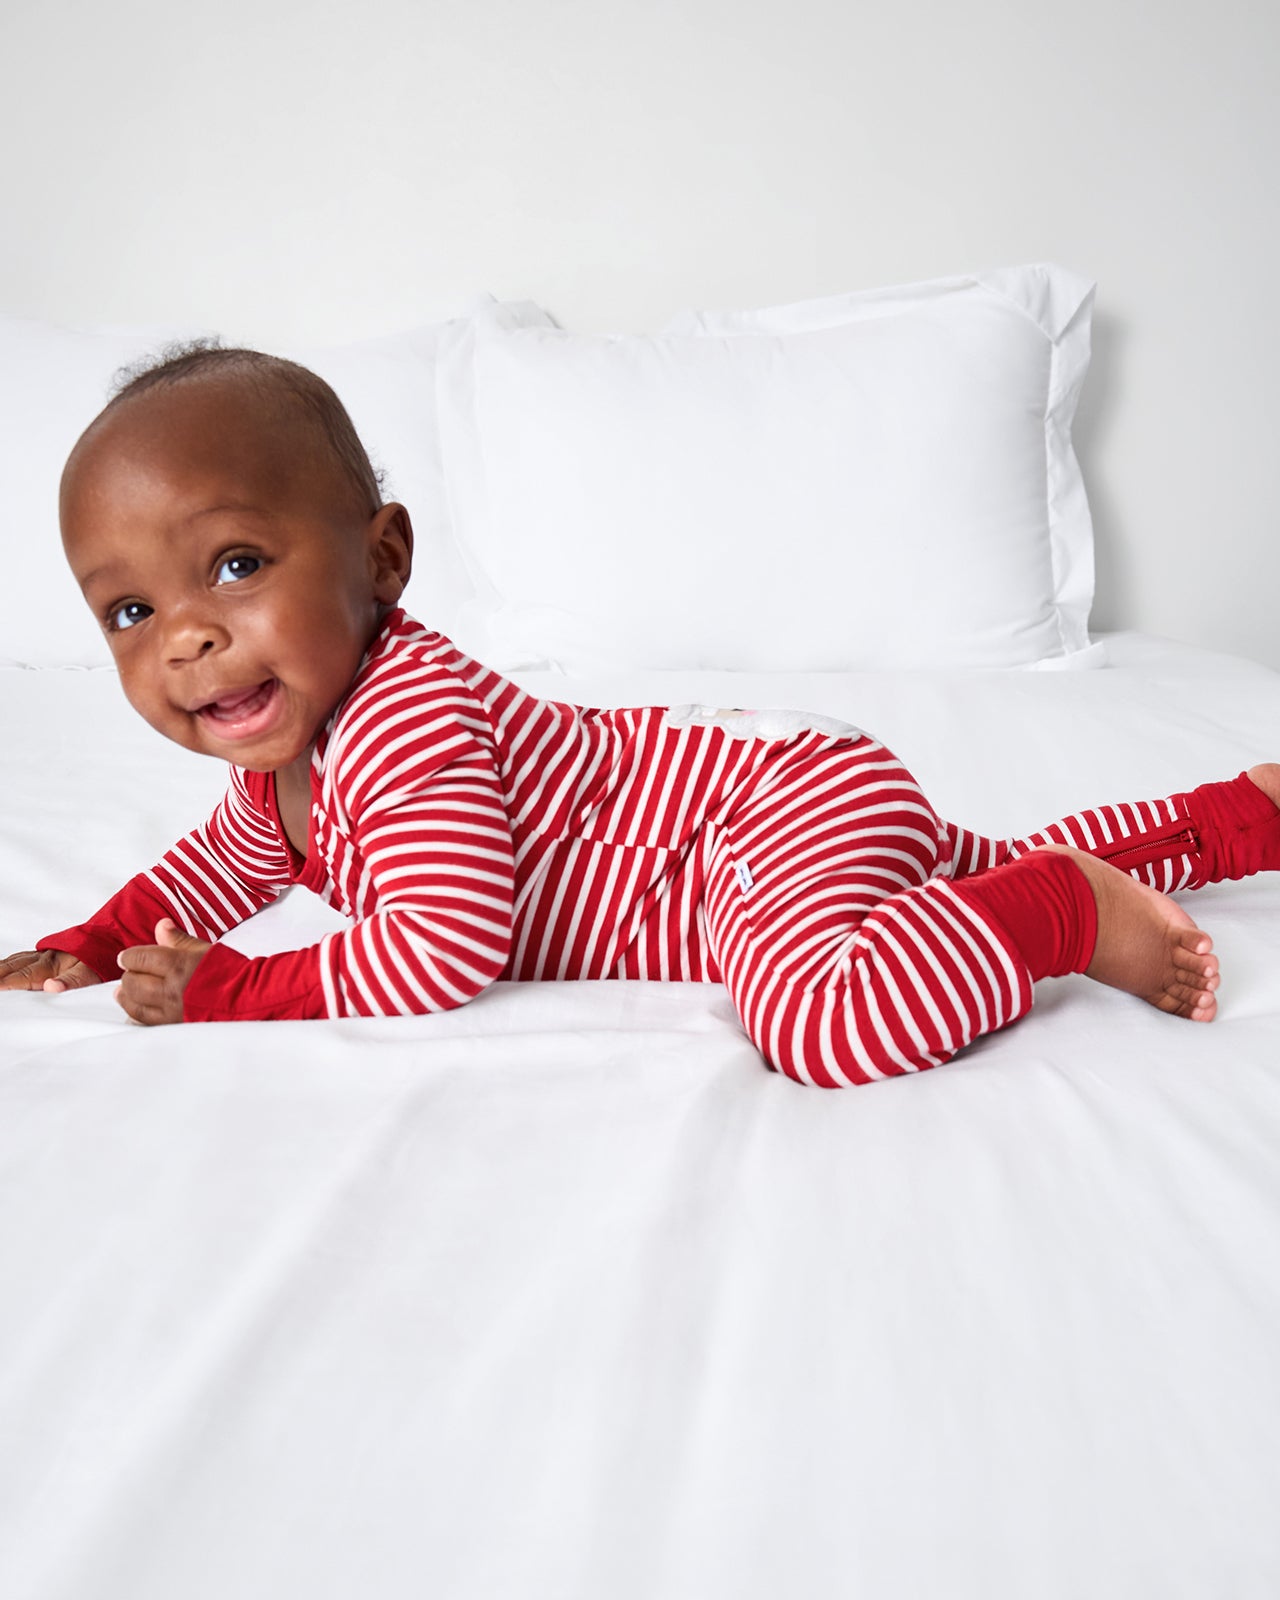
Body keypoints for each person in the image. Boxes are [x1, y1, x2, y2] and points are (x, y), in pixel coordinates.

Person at [3, 344, 1278, 1087]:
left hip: (753, 818)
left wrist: (236, 992)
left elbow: (440, 950)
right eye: (128, 613)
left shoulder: (403, 714)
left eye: (234, 565)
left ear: (382, 559)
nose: (184, 635)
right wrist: (104, 936)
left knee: (816, 1016)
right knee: (949, 862)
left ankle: (1063, 908)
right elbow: (219, 867)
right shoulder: (288, 763)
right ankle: (1231, 821)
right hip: (779, 812)